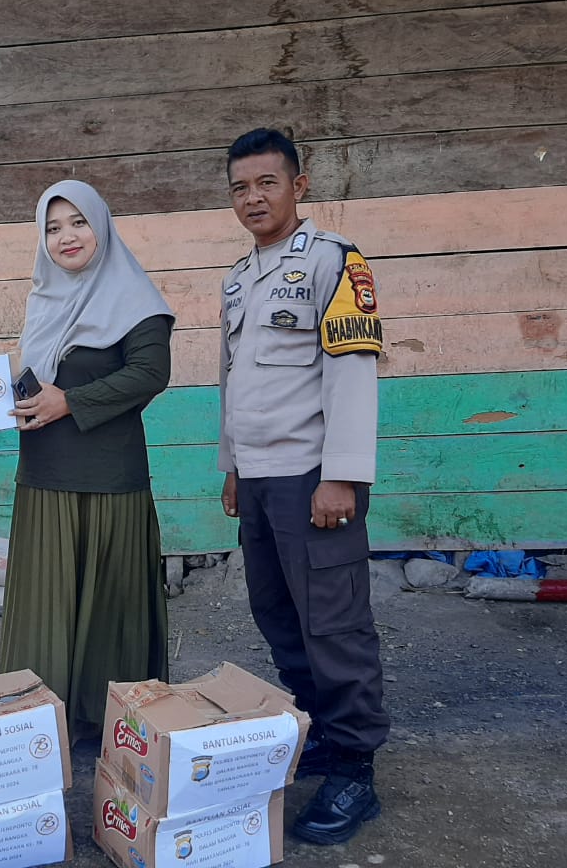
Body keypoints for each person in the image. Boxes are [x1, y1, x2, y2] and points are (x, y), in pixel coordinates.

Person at [217, 128, 389, 845]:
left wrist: (341, 475)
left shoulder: (335, 262)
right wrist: (232, 465)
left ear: (299, 185)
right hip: (259, 481)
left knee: (333, 624)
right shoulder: (237, 277)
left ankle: (355, 769)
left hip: (314, 478)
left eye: (267, 182)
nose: (253, 198)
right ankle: (320, 732)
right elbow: (232, 378)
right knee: (278, 615)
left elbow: (351, 371)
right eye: (240, 188)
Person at [0, 179, 174, 739]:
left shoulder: (135, 297)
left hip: (108, 477)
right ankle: (43, 723)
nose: (66, 237)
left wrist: (69, 401)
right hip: (43, 473)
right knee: (46, 602)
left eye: (78, 222)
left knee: (109, 602)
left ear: (100, 226)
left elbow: (150, 373)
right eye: (52, 228)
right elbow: (34, 383)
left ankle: (109, 721)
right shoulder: (45, 301)